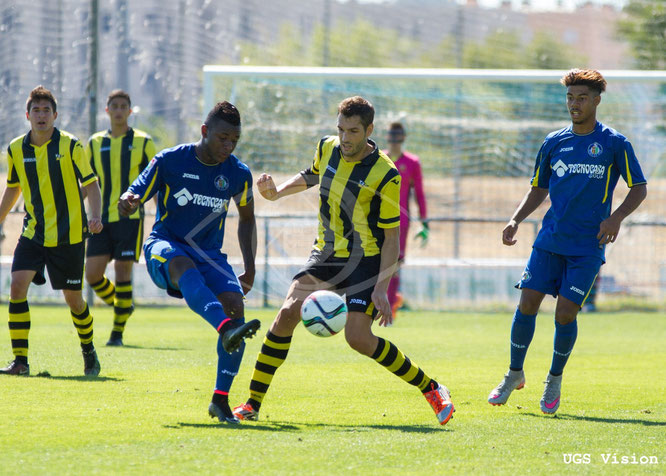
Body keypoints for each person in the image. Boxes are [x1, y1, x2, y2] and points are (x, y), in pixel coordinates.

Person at [233, 96, 455, 426]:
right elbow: (312, 174)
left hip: (366, 261)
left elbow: (392, 238)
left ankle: (432, 388)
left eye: (353, 131)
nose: (345, 138)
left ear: (369, 130)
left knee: (358, 338)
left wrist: (382, 288)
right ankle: (252, 404)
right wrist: (277, 191)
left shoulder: (386, 174)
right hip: (325, 253)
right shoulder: (327, 147)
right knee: (285, 315)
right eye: (340, 129)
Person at [488, 69, 647, 414]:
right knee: (527, 303)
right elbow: (538, 187)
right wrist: (516, 219)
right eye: (570, 97)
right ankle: (514, 373)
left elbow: (639, 188)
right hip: (549, 240)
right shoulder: (553, 142)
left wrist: (615, 218)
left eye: (582, 98)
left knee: (564, 313)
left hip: (587, 247)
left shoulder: (614, 143)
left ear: (597, 100)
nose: (575, 104)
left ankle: (554, 379)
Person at [118, 101, 261, 423]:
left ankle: (220, 401)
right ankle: (225, 329)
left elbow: (248, 219)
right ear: (205, 131)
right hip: (165, 245)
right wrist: (129, 201)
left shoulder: (238, 174)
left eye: (234, 141)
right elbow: (136, 190)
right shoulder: (170, 160)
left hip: (210, 254)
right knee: (186, 269)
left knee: (235, 306)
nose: (228, 146)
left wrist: (250, 267)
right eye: (223, 137)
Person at [0, 85, 104, 377]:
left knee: (74, 300)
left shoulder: (71, 145)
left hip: (69, 236)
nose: (41, 115)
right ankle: (20, 361)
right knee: (17, 287)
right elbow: (13, 188)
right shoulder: (16, 148)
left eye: (47, 110)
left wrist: (95, 216)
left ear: (55, 115)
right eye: (36, 110)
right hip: (33, 233)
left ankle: (88, 350)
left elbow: (92, 184)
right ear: (27, 115)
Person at [85, 90, 156, 346]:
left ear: (130, 110)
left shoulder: (144, 142)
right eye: (113, 106)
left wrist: (160, 216)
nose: (118, 110)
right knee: (92, 275)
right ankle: (123, 304)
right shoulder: (94, 142)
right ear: (107, 110)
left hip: (130, 217)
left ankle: (117, 333)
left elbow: (155, 182)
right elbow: (87, 180)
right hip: (100, 218)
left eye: (123, 106)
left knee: (122, 272)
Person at [383, 122, 428, 318]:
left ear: (403, 138)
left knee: (395, 264)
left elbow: (419, 193)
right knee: (373, 262)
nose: (394, 140)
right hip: (377, 219)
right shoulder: (380, 159)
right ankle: (370, 306)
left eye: (397, 136)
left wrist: (424, 223)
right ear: (387, 137)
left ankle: (390, 309)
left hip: (401, 222)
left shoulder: (412, 162)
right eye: (392, 135)